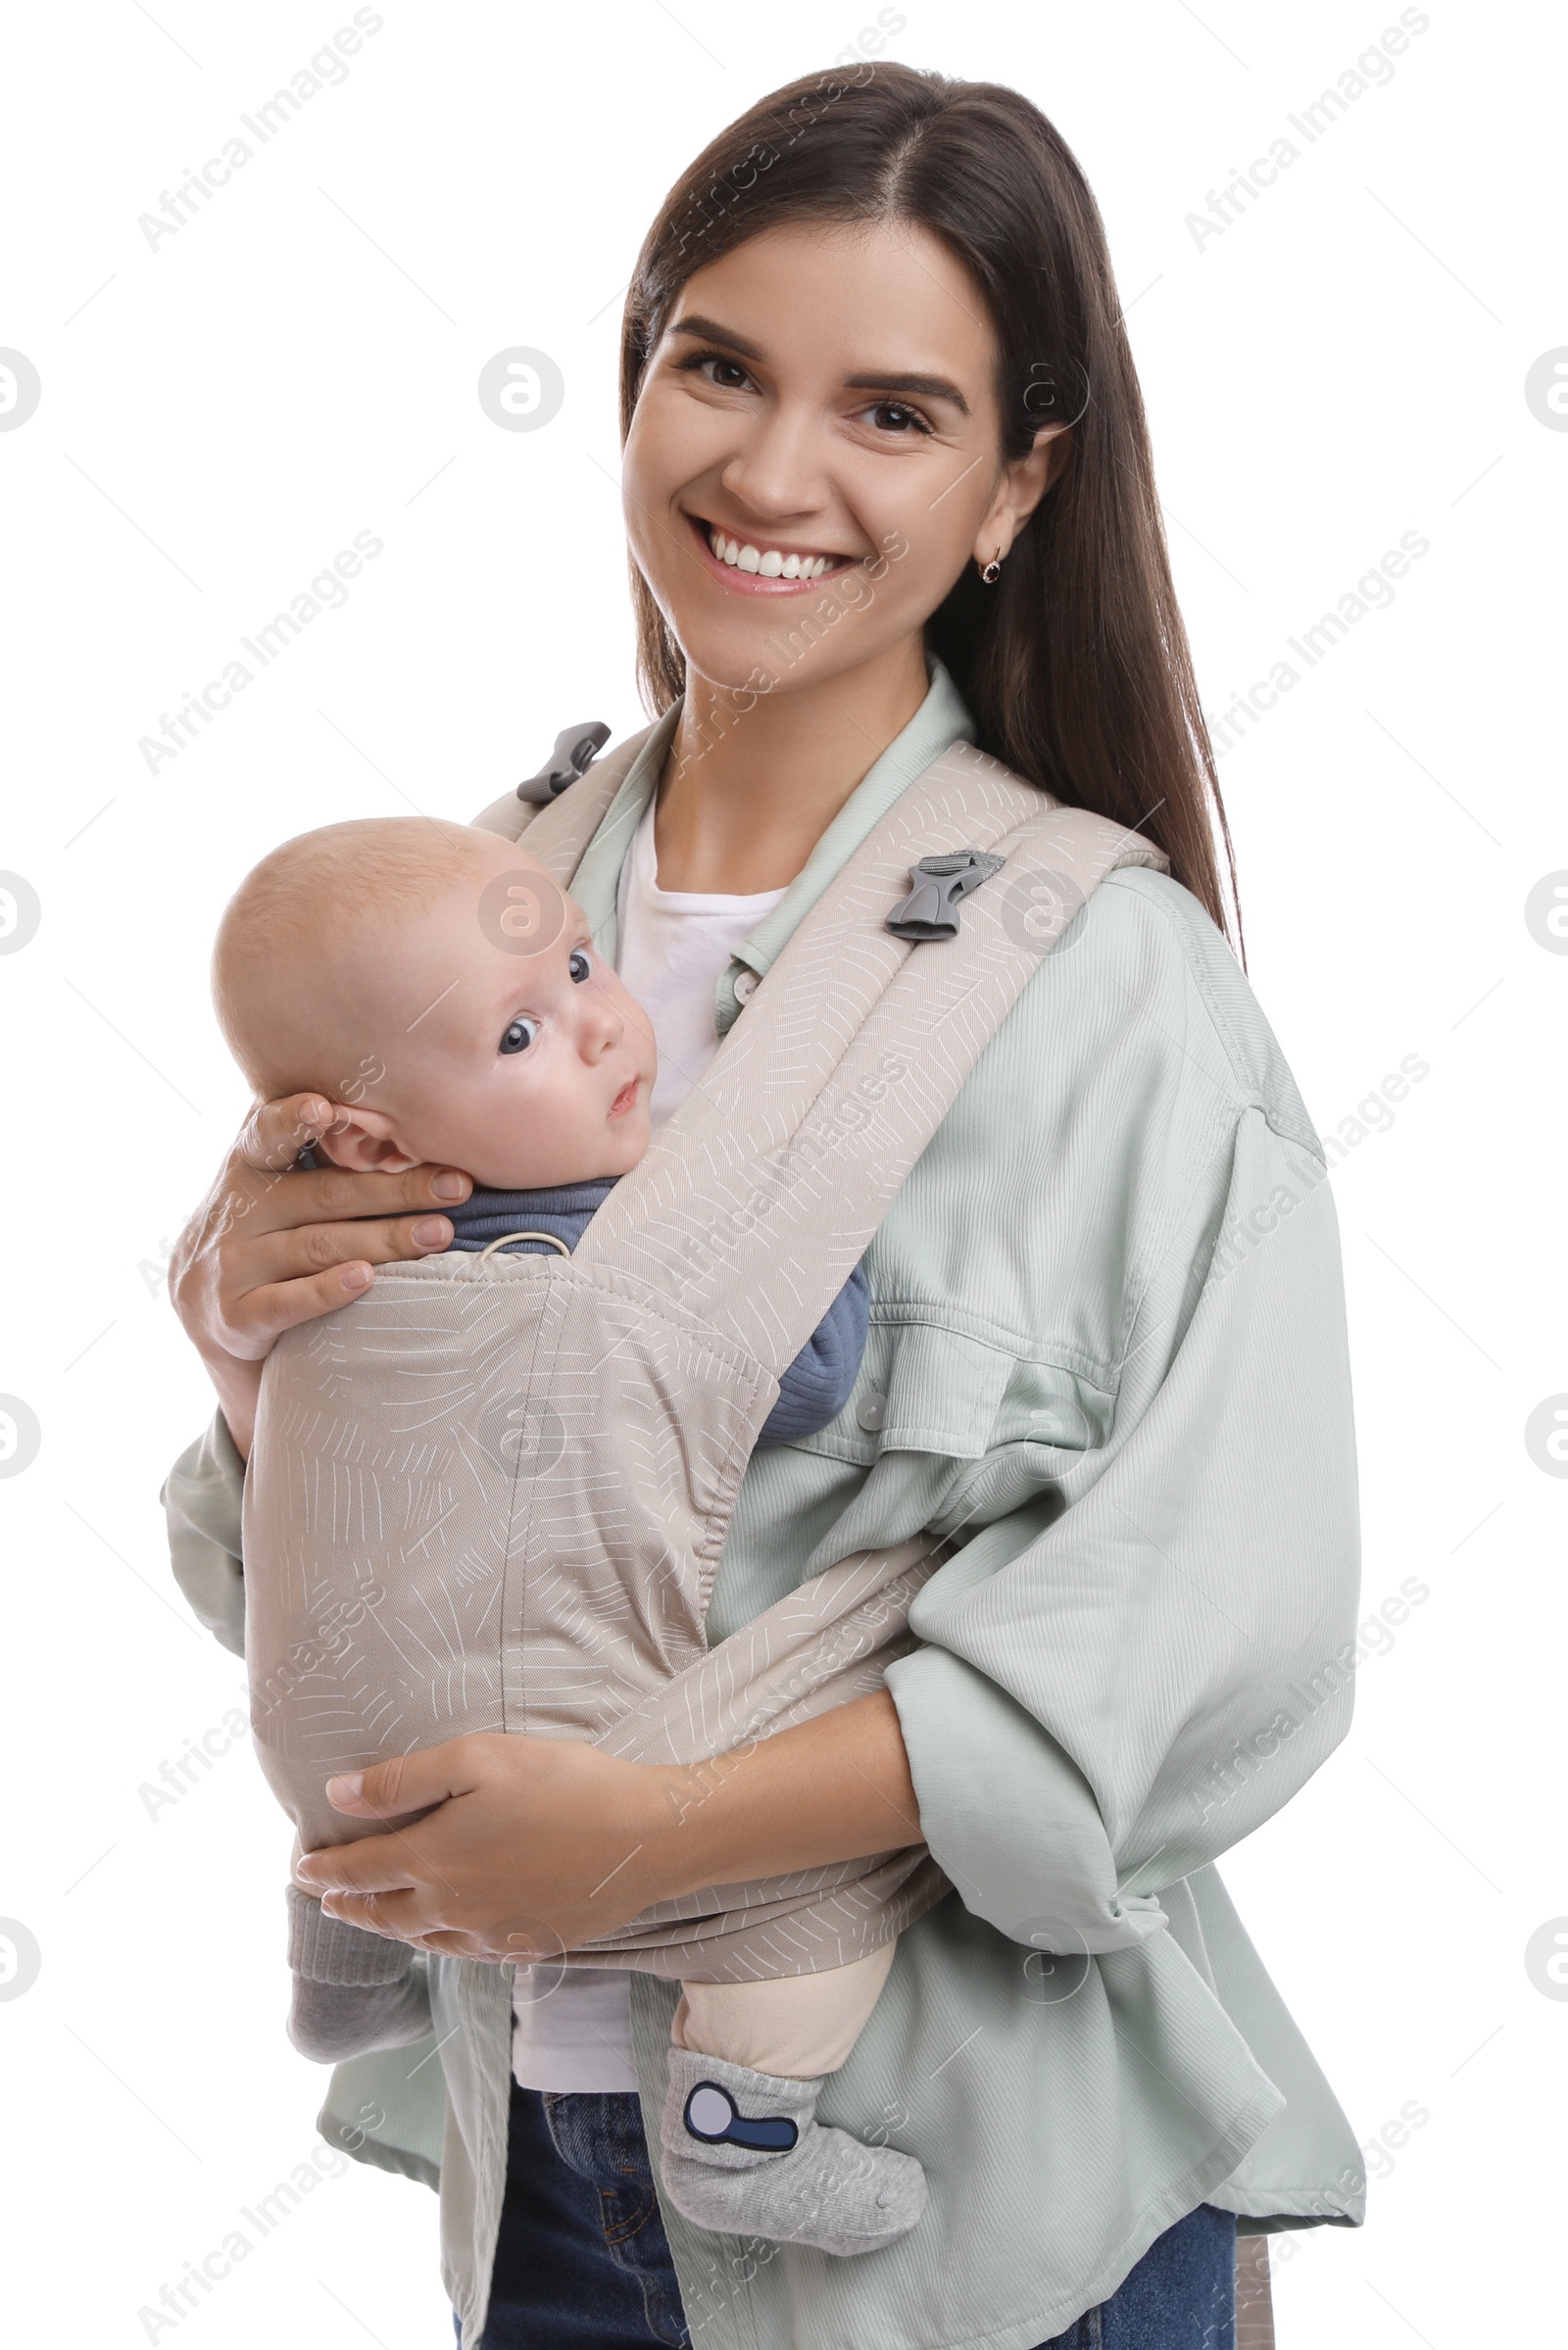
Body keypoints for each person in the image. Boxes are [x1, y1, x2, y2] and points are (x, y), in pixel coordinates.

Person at [163, 61, 1365, 2350]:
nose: (771, 471)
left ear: (1017, 485)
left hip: (978, 2188)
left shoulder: (1102, 980)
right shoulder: (465, 922)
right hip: (537, 2165)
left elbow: (1220, 1627)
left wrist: (652, 1834)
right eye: (716, 365)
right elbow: (330, 1584)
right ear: (632, 376)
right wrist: (254, 1360)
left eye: (891, 410)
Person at [211, 815, 925, 2257]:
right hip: (572, 1762)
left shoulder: (317, 1265)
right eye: (526, 1029)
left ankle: (341, 1966)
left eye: (585, 961)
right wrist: (814, 1231)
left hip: (321, 1754)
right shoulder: (627, 1253)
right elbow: (812, 1375)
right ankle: (744, 2117)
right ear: (364, 1135)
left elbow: (271, 1522)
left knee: (372, 1731)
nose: (606, 1027)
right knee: (840, 1875)